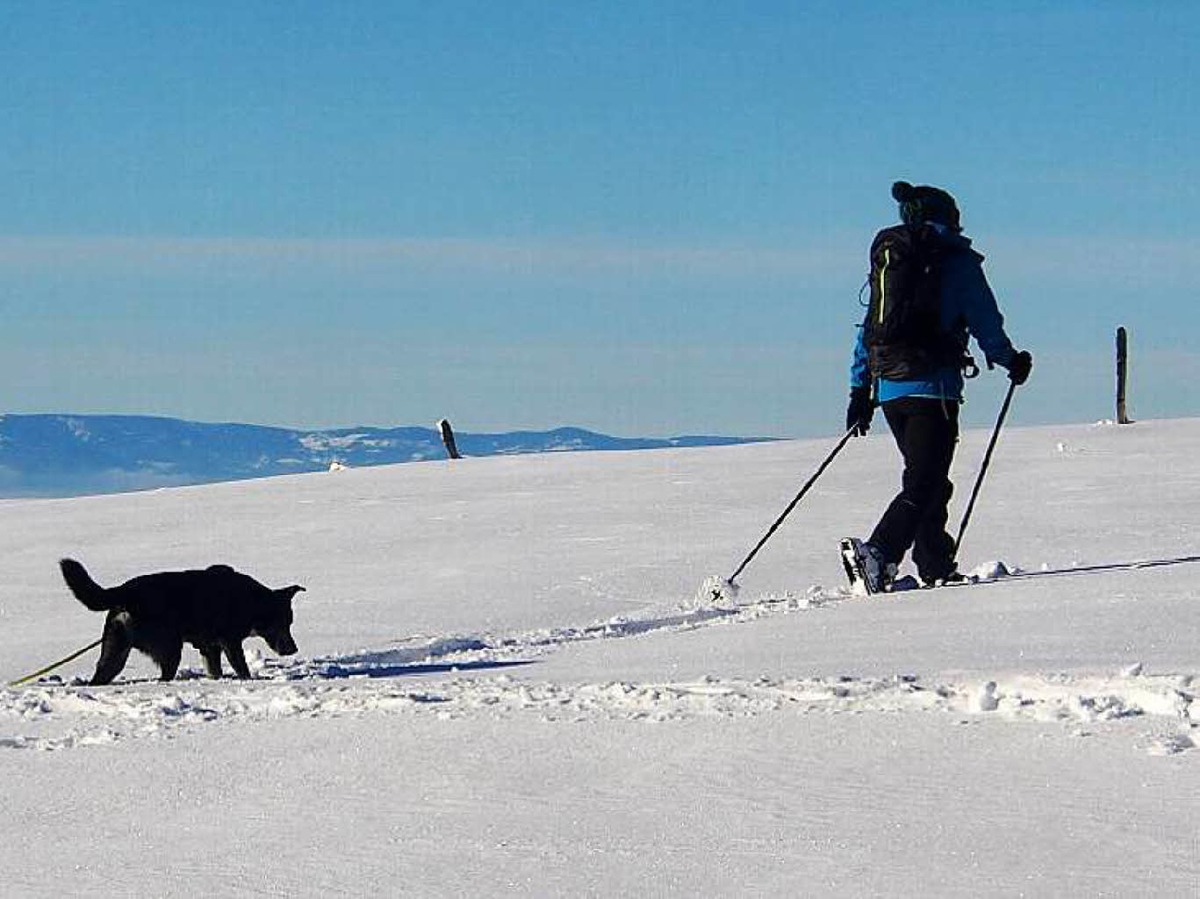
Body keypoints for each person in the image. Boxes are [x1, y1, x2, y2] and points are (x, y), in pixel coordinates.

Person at [842, 181, 1032, 593]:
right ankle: (878, 554)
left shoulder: (892, 263)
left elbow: (869, 329)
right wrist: (1010, 359)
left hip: (890, 390)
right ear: (950, 217)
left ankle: (934, 562)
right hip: (934, 390)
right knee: (925, 481)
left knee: (928, 476)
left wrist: (859, 391)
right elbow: (985, 319)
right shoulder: (956, 262)